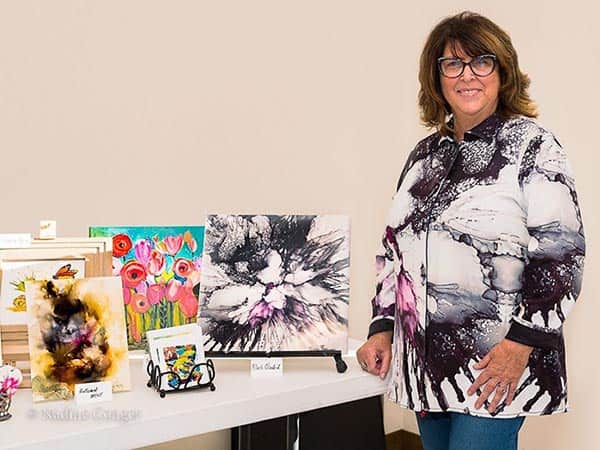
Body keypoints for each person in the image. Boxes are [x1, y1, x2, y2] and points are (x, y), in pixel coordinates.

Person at [356, 11, 585, 450]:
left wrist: (521, 345)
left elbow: (562, 253)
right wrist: (381, 327)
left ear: (502, 72)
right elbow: (394, 251)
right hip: (426, 368)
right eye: (452, 64)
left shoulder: (532, 145)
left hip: (495, 364)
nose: (468, 75)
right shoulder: (423, 156)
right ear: (437, 77)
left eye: (482, 62)